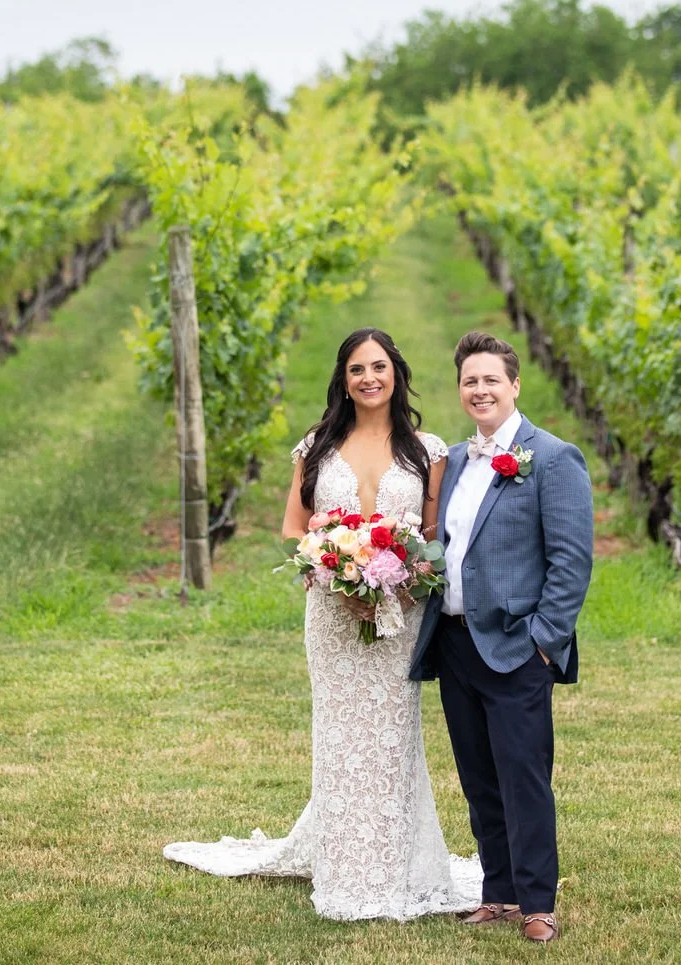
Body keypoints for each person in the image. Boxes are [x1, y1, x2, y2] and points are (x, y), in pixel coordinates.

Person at [163, 327, 481, 920]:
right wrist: (337, 573)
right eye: (357, 369)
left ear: (396, 374)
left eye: (379, 367)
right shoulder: (315, 447)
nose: (369, 378)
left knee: (390, 738)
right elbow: (293, 528)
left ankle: (392, 863)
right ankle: (341, 863)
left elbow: (434, 539)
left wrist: (397, 584)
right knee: (338, 738)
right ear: (343, 378)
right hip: (332, 619)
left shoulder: (427, 452)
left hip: (398, 617)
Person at [409, 330, 593, 944]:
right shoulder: (457, 461)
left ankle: (539, 902)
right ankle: (499, 891)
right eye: (470, 381)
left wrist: (544, 639)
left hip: (517, 646)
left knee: (523, 777)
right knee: (478, 777)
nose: (480, 390)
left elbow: (571, 563)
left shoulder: (552, 457)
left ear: (515, 386)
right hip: (457, 643)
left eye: (491, 379)